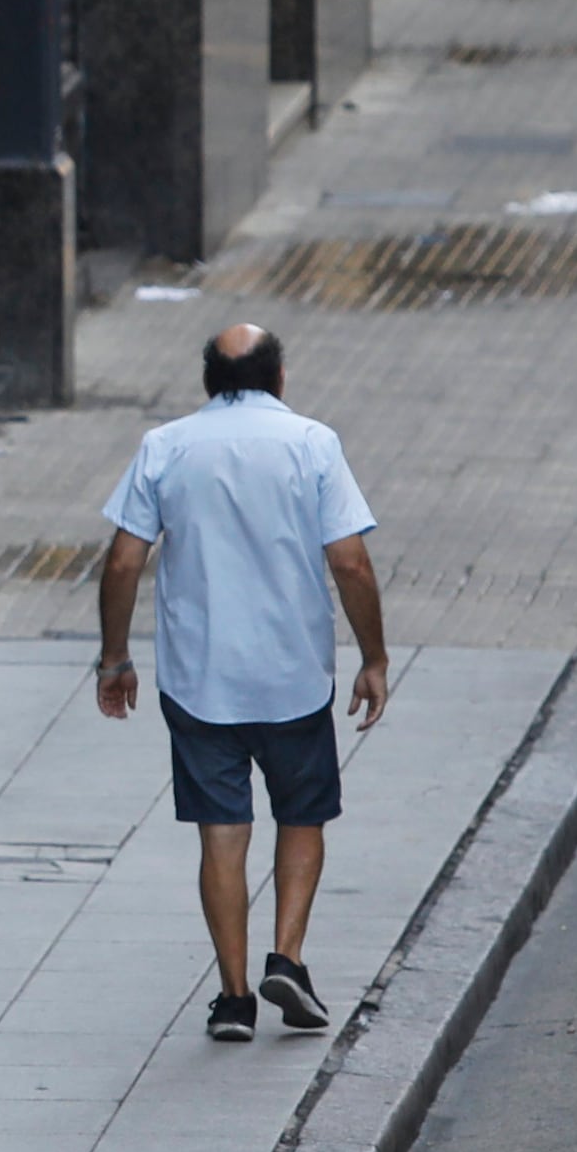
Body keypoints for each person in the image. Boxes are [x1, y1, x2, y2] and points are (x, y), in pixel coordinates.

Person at [91, 322, 392, 1046]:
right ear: (279, 377)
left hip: (200, 680)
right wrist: (374, 657)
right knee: (302, 817)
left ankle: (233, 997)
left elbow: (125, 561)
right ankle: (286, 955)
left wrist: (114, 658)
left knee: (221, 835)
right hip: (292, 676)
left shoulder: (165, 446)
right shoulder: (313, 443)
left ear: (208, 381)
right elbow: (350, 562)